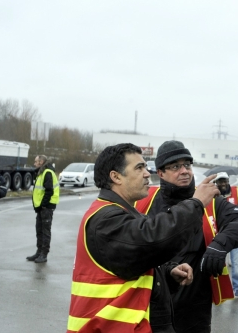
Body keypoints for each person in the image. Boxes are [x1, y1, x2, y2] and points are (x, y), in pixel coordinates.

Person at [67, 143, 220, 333]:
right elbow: (152, 240)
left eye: (146, 167)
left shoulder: (122, 213)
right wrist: (196, 204)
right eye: (139, 168)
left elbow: (133, 264)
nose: (147, 173)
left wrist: (167, 273)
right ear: (115, 176)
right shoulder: (105, 220)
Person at [135, 140, 238, 333]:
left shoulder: (210, 201)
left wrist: (219, 244)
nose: (184, 171)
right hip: (151, 306)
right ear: (161, 173)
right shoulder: (143, 201)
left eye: (187, 165)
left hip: (194, 310)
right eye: (175, 166)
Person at [212, 172, 238, 296]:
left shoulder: (236, 192)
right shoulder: (212, 194)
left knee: (236, 263)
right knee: (217, 264)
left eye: (224, 181)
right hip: (217, 234)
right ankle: (218, 289)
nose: (223, 184)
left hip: (234, 235)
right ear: (216, 183)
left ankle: (237, 289)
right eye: (220, 181)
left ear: (228, 181)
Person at [27, 154, 59, 263]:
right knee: (39, 230)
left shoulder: (47, 173)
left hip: (46, 207)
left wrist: (44, 205)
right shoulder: (41, 172)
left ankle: (44, 254)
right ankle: (39, 252)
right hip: (41, 207)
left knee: (45, 231)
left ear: (41, 162)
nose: (34, 163)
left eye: (36, 161)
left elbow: (49, 191)